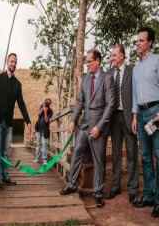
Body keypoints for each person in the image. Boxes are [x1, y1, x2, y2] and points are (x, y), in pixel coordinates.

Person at [60, 49, 115, 208]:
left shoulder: (107, 79)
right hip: (84, 125)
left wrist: (99, 126)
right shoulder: (85, 79)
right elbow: (79, 102)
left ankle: (98, 193)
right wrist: (73, 119)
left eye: (90, 61)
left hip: (98, 127)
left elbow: (110, 105)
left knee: (99, 160)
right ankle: (72, 185)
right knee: (77, 152)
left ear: (97, 61)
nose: (87, 65)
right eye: (86, 62)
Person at [132, 27, 159, 218]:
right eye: (137, 41)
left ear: (150, 42)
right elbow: (135, 93)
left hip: (156, 112)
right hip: (142, 114)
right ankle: (148, 196)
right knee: (145, 156)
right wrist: (135, 116)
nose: (138, 43)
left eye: (142, 40)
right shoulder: (136, 67)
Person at [0, 53, 32, 189]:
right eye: (11, 61)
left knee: (5, 151)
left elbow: (21, 103)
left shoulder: (17, 84)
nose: (13, 64)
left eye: (15, 62)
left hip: (8, 122)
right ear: (7, 62)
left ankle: (5, 176)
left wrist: (28, 121)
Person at [106, 44, 139, 205]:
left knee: (132, 153)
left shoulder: (132, 71)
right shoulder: (109, 73)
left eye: (114, 55)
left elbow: (136, 95)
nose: (111, 57)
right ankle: (115, 186)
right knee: (116, 154)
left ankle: (133, 190)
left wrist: (135, 116)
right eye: (111, 55)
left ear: (122, 56)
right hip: (114, 118)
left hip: (129, 117)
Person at [33, 98, 53, 165]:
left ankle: (44, 160)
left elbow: (47, 120)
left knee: (44, 144)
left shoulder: (50, 111)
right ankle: (37, 158)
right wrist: (42, 109)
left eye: (48, 103)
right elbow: (38, 114)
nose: (46, 104)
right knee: (38, 143)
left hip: (45, 130)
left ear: (49, 104)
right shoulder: (41, 107)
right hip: (38, 128)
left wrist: (45, 112)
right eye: (46, 102)